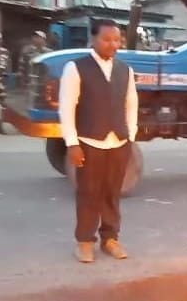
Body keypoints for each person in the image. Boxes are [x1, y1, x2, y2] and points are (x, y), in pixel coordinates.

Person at [58, 19, 138, 263]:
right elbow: (66, 107)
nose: (112, 44)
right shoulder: (76, 68)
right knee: (88, 193)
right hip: (89, 141)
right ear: (93, 39)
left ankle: (110, 238)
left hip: (119, 142)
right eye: (106, 39)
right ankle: (85, 241)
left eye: (116, 40)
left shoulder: (125, 70)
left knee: (112, 193)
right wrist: (72, 143)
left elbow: (131, 105)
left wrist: (130, 137)